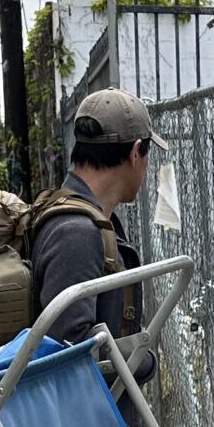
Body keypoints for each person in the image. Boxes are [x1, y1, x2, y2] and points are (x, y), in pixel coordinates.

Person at [29, 88, 156, 349]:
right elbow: (68, 352)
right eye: (147, 155)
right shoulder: (77, 234)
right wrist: (142, 358)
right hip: (91, 391)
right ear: (135, 153)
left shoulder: (81, 217)